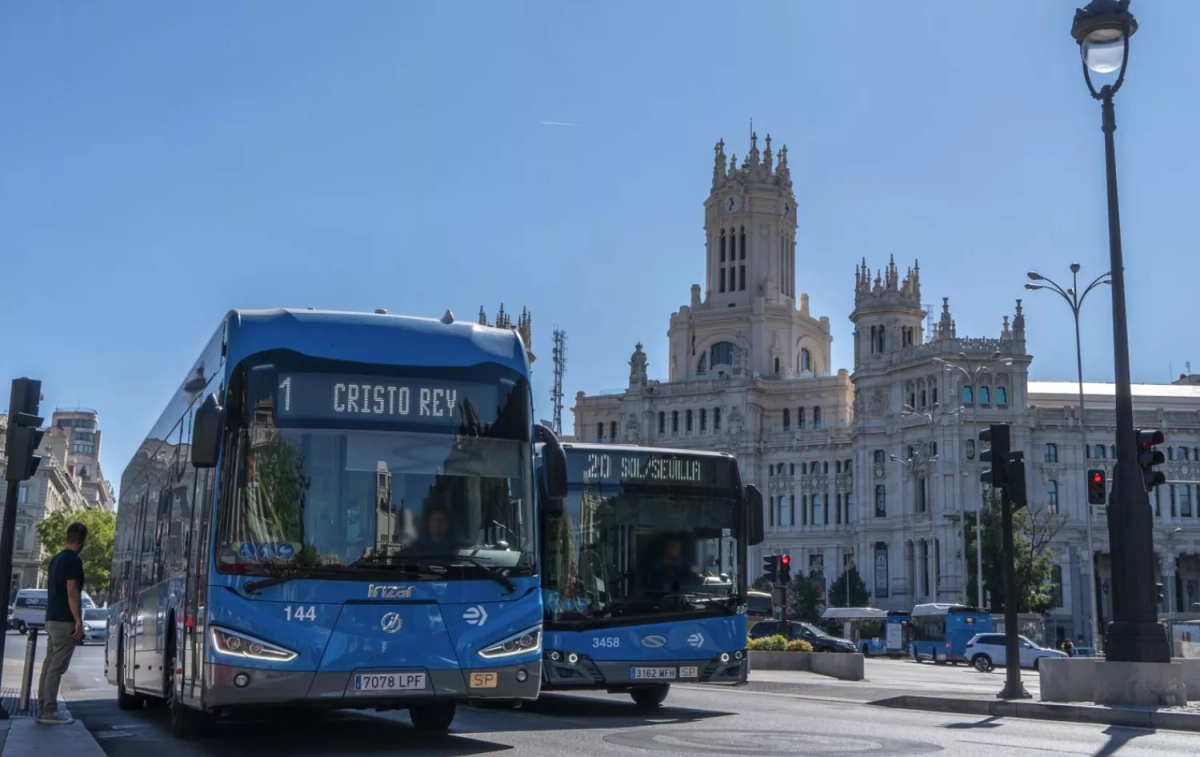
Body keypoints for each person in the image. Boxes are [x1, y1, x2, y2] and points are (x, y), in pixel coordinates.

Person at [37, 521, 88, 725]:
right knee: (57, 667)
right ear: (83, 541)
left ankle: (43, 706)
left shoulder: (56, 559)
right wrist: (78, 621)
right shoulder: (73, 562)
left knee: (49, 664)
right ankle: (49, 710)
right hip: (64, 620)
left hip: (51, 617)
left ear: (67, 538)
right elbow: (72, 593)